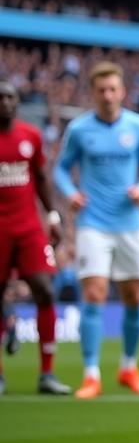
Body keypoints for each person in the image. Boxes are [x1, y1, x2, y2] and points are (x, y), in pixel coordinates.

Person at [54, 61, 139, 399]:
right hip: (93, 223)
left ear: (123, 91)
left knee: (134, 296)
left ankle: (128, 367)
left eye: (113, 89)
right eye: (101, 90)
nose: (108, 95)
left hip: (129, 223)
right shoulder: (80, 129)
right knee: (96, 292)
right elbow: (60, 169)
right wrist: (71, 193)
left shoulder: (138, 125)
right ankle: (91, 374)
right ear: (93, 93)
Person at [0, 79, 70, 396]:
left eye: (10, 97)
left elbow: (41, 178)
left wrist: (53, 216)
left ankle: (47, 373)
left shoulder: (31, 136)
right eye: (0, 97)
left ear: (18, 102)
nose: (5, 102)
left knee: (44, 289)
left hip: (28, 226)